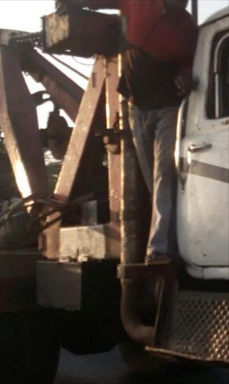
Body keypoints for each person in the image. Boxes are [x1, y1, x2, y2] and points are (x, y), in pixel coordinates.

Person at [56, 0, 198, 264]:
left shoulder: (186, 27)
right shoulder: (139, 3)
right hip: (136, 107)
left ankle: (159, 250)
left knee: (163, 177)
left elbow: (190, 62)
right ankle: (165, 243)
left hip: (168, 108)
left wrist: (186, 75)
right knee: (151, 180)